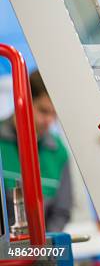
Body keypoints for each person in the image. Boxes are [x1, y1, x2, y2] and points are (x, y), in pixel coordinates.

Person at [0, 70, 72, 232]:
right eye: (43, 111)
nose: (49, 121)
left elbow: (61, 212)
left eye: (54, 114)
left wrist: (42, 249)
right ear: (23, 102)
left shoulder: (58, 151)